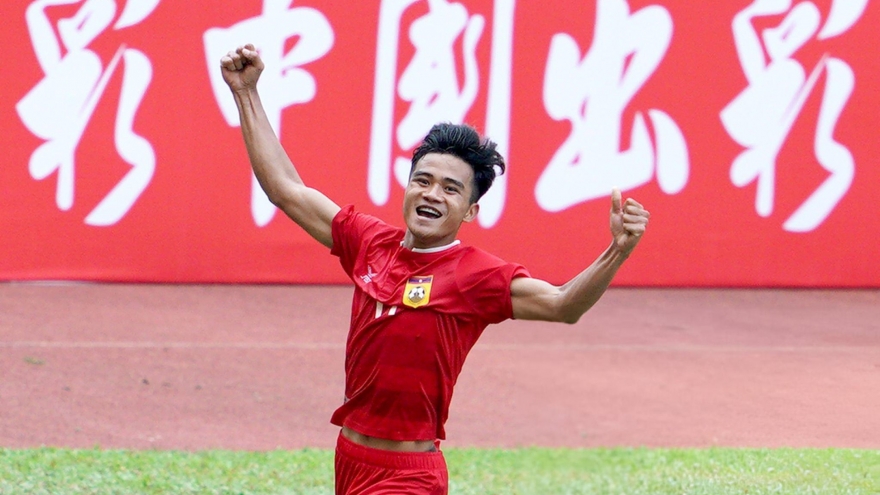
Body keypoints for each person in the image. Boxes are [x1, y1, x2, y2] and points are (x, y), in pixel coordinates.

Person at [220, 44, 650, 495]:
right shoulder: (368, 241)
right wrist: (246, 93)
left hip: (410, 474)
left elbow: (563, 305)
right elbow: (286, 189)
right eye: (422, 181)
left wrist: (617, 251)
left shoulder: (477, 275)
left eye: (450, 189)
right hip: (349, 459)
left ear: (470, 211)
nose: (431, 194)